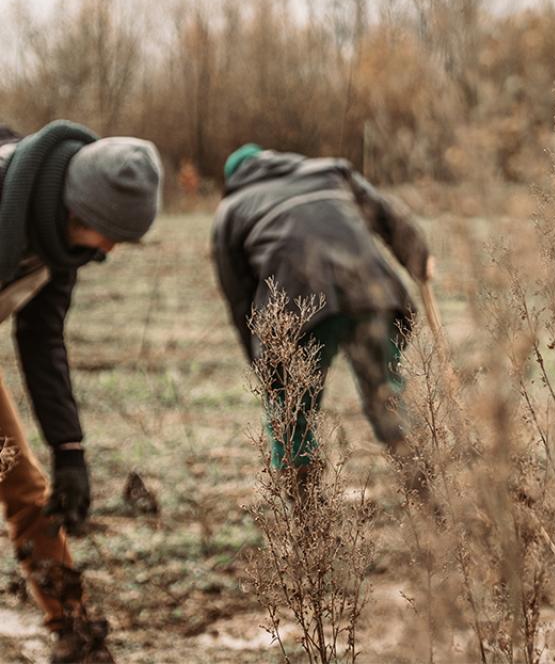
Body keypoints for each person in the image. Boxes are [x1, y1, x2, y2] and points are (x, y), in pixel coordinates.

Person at [0, 119, 163, 663]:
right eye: (109, 233)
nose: (110, 250)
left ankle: (75, 634)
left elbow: (41, 335)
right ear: (78, 211)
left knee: (23, 484)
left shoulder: (58, 241)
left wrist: (70, 449)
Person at [212, 143, 433, 495]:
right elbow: (387, 214)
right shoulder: (331, 171)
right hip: (372, 293)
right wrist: (418, 256)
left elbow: (240, 300)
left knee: (292, 416)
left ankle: (306, 518)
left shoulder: (231, 210)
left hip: (299, 311)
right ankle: (434, 496)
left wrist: (267, 370)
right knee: (388, 398)